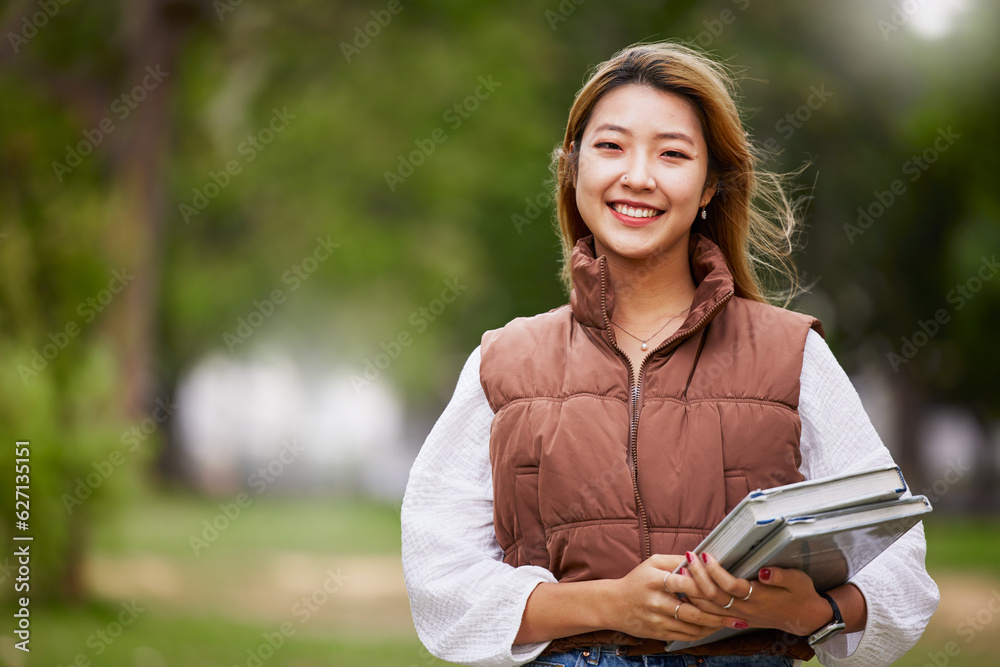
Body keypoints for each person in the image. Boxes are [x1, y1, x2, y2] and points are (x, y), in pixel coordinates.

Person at [401, 41, 938, 667]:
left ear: (709, 184)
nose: (637, 176)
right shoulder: (505, 362)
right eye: (610, 146)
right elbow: (439, 577)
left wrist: (806, 613)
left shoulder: (793, 354)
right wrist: (610, 605)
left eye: (672, 154)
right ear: (572, 167)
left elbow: (900, 570)